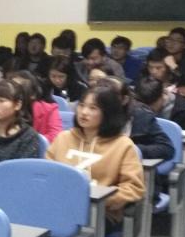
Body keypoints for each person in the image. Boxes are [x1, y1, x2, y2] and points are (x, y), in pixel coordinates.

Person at [46, 84, 145, 226]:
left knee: (60, 224)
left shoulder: (123, 145)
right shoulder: (63, 138)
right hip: (60, 205)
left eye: (93, 108)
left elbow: (133, 188)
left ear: (108, 113)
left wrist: (102, 199)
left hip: (100, 211)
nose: (84, 112)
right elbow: (47, 174)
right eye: (81, 105)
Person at [95, 77, 173, 161]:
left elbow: (166, 148)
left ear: (124, 100)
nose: (105, 103)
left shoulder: (141, 115)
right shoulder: (91, 114)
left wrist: (132, 148)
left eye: (110, 98)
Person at [9, 69, 62, 143]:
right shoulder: (1, 107)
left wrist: (27, 142)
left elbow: (55, 137)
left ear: (33, 95)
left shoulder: (50, 109)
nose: (14, 93)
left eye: (20, 89)